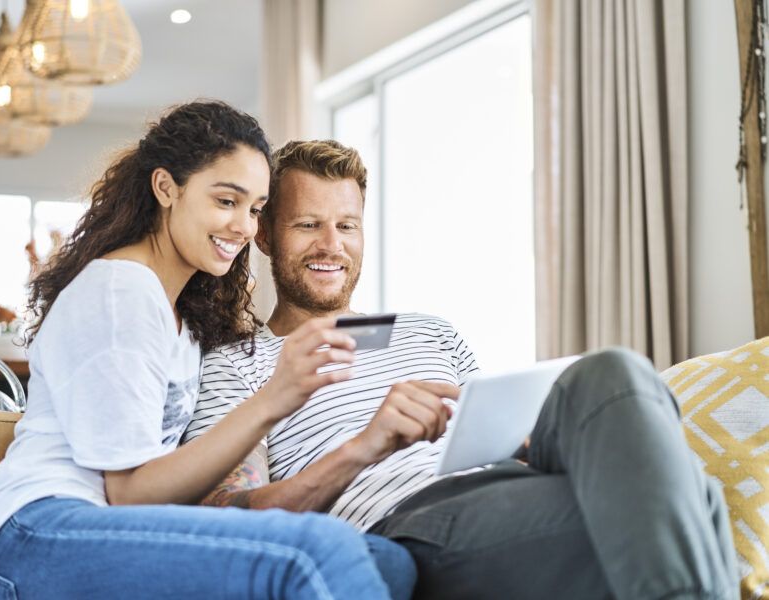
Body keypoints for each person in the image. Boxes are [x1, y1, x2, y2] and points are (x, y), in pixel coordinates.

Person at [182, 139, 739, 600]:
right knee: (697, 504)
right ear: (266, 234)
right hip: (414, 518)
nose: (332, 245)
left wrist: (523, 437)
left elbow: (502, 432)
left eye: (347, 226)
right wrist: (366, 445)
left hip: (515, 481)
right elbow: (236, 520)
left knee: (613, 373)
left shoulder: (430, 330)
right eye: (308, 224)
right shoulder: (237, 367)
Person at [0, 104, 416, 600]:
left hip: (104, 535)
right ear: (166, 188)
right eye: (225, 201)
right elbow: (129, 494)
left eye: (255, 209)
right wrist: (275, 398)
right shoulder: (120, 293)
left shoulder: (183, 316)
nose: (243, 226)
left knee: (387, 560)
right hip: (35, 538)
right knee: (313, 552)